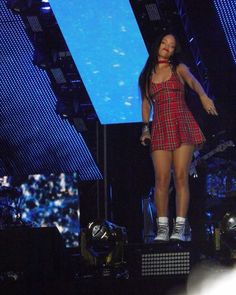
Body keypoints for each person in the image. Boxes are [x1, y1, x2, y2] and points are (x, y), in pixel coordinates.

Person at [139, 32, 218, 242]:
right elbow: (146, 103)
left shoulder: (178, 68)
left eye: (172, 46)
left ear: (174, 51)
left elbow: (193, 82)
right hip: (161, 126)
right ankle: (163, 228)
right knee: (161, 178)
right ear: (157, 44)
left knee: (181, 175)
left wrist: (203, 97)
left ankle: (180, 228)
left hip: (182, 122)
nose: (167, 47)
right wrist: (145, 128)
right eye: (164, 43)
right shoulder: (147, 75)